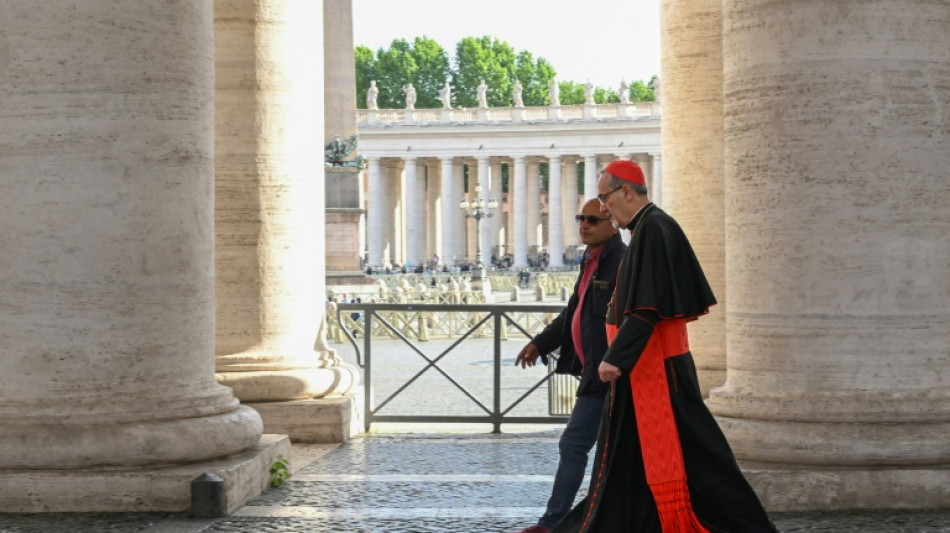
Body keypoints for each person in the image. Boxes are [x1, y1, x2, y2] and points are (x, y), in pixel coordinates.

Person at [551, 161, 778, 533]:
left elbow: (646, 308)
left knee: (700, 460)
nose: (602, 209)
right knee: (631, 459)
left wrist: (614, 359)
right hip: (646, 369)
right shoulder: (648, 229)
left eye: (605, 198)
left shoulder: (654, 229)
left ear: (626, 192)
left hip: (655, 370)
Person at [511, 199, 626, 533]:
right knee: (595, 449)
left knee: (576, 445)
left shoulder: (620, 261)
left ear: (612, 224)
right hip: (594, 370)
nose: (584, 224)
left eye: (592, 219)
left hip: (608, 374)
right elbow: (572, 314)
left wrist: (613, 362)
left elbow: (633, 319)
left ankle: (554, 523)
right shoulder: (591, 262)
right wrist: (540, 343)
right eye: (581, 218)